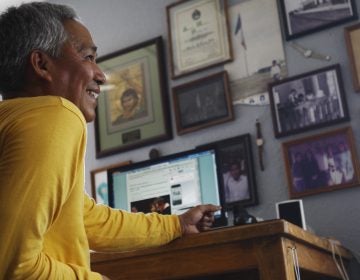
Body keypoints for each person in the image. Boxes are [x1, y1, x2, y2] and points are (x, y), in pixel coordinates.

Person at [0, 3, 221, 280]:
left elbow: (87, 219)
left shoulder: (14, 121)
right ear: (41, 64)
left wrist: (176, 225)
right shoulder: (56, 115)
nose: (101, 74)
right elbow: (13, 267)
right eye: (88, 57)